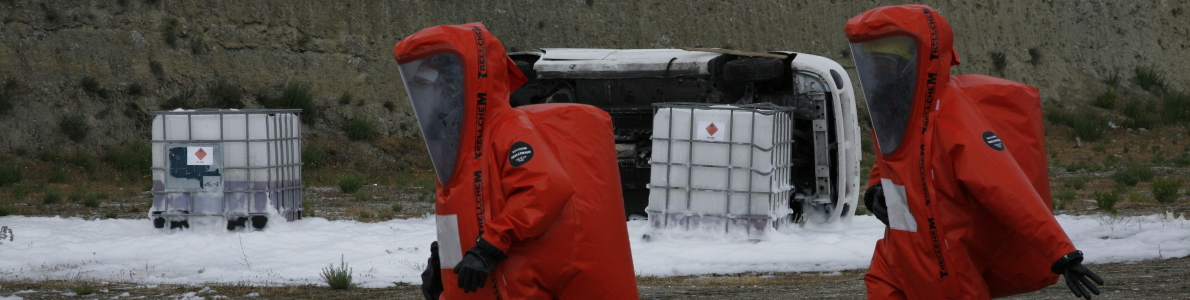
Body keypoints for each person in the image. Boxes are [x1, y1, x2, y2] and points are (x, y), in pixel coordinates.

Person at [846, 5, 1104, 299]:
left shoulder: (952, 120)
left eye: (885, 63)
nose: (876, 75)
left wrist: (1062, 253)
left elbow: (1006, 189)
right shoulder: (894, 110)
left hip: (943, 262)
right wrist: (875, 188)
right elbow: (891, 161)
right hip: (895, 254)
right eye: (871, 63)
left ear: (909, 64)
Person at [393, 23, 639, 300]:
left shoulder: (507, 129)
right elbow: (466, 205)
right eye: (436, 83)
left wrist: (490, 247)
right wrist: (445, 259)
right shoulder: (460, 141)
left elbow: (546, 189)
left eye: (447, 81)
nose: (441, 92)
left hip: (509, 275)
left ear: (471, 78)